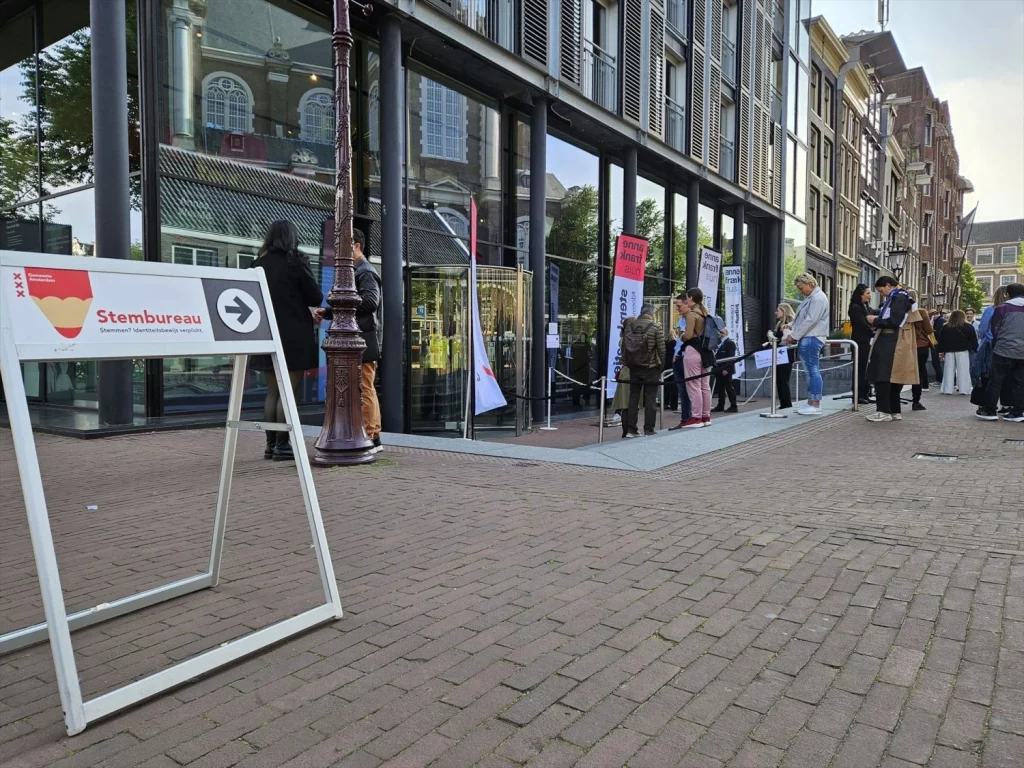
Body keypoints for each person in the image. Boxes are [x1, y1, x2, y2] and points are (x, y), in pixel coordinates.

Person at [250, 220, 323, 460]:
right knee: (287, 393)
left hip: (264, 335)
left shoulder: (256, 265)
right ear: (292, 238)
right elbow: (315, 295)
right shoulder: (295, 262)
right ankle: (283, 446)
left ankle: (270, 445)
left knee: (272, 393)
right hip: (293, 337)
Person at [316, 230, 383, 452]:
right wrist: (327, 313)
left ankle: (372, 435)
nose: (337, 252)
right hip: (358, 337)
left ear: (355, 245)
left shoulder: (365, 271)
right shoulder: (357, 270)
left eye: (342, 246)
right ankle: (368, 434)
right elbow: (350, 306)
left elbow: (371, 302)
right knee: (361, 388)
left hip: (363, 338)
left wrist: (334, 308)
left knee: (364, 387)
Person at [865, 276, 918, 422]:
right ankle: (894, 410)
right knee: (894, 376)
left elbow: (894, 321)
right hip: (896, 340)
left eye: (881, 290)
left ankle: (883, 411)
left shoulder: (898, 298)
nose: (882, 294)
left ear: (888, 285)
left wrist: (874, 320)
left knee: (882, 375)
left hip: (889, 340)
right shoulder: (903, 297)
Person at [977, 282, 1024, 421]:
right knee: (1020, 382)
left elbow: (994, 329)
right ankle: (1017, 412)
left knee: (995, 381)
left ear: (1007, 294)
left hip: (1004, 350)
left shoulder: (1003, 308)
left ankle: (990, 410)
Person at [785, 274, 830, 415]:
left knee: (812, 370)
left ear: (810, 283)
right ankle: (812, 401)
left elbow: (811, 320)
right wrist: (791, 325)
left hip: (812, 337)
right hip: (809, 337)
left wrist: (794, 335)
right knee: (811, 371)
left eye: (801, 287)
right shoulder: (813, 298)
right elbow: (803, 319)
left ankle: (815, 403)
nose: (800, 291)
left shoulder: (817, 298)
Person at [624, 304, 665, 437]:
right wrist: (661, 366)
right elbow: (661, 350)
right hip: (651, 367)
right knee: (650, 398)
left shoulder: (629, 326)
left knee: (633, 397)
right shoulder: (656, 327)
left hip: (634, 367)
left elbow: (625, 346)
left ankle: (631, 429)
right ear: (652, 313)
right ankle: (649, 429)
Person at [681, 288, 713, 428]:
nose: (686, 301)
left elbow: (688, 336)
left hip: (693, 351)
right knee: (705, 386)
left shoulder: (691, 315)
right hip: (706, 352)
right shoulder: (705, 313)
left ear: (691, 298)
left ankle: (696, 417)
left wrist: (681, 335)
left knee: (693, 385)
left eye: (687, 298)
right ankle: (706, 416)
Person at [977, 287, 1011, 414]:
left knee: (989, 376)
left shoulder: (990, 310)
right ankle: (1007, 404)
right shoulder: (1014, 310)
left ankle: (988, 405)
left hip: (991, 346)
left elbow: (983, 329)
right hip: (1009, 346)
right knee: (1008, 377)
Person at [936, 309, 977, 396]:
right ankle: (964, 389)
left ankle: (947, 389)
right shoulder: (968, 326)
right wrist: (974, 349)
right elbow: (973, 340)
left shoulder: (946, 327)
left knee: (948, 370)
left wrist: (941, 351)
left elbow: (941, 340)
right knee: (963, 370)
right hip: (963, 350)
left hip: (949, 351)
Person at [668, 295, 694, 430]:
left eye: (679, 306)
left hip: (688, 358)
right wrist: (675, 354)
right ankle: (685, 419)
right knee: (682, 391)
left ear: (687, 304)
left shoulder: (694, 319)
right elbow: (679, 339)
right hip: (678, 358)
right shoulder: (681, 320)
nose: (677, 309)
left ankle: (694, 418)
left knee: (691, 389)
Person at [610, 316, 638, 437]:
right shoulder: (633, 339)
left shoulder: (623, 339)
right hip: (631, 371)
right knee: (630, 404)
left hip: (625, 370)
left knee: (626, 404)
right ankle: (630, 430)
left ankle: (627, 430)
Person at [849, 284, 876, 404]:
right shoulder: (855, 308)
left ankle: (865, 393)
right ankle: (858, 394)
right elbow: (862, 324)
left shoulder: (866, 307)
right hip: (860, 342)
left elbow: (873, 314)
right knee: (860, 369)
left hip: (866, 342)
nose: (870, 296)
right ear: (861, 294)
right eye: (868, 293)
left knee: (867, 369)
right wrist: (873, 332)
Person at [909, 293, 935, 411]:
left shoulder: (900, 312)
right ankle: (916, 401)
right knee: (919, 372)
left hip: (905, 345)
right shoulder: (922, 312)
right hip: (920, 345)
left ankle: (893, 401)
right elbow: (929, 330)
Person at [771, 303, 796, 410]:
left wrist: (775, 339)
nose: (776, 312)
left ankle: (786, 403)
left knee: (783, 379)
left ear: (784, 311)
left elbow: (788, 340)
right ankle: (783, 402)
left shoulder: (788, 324)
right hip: (780, 354)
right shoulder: (780, 324)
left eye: (778, 310)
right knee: (779, 379)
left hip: (785, 354)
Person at [712, 327, 738, 413]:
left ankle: (733, 405)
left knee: (729, 387)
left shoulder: (730, 343)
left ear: (726, 333)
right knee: (720, 388)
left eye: (721, 332)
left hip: (726, 369)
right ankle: (720, 405)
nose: (720, 333)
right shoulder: (719, 343)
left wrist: (727, 369)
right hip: (719, 369)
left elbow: (731, 358)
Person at [930, 309, 947, 381]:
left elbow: (939, 333)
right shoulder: (937, 320)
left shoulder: (940, 320)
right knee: (935, 362)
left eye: (932, 315)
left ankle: (940, 379)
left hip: (937, 344)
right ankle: (939, 379)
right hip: (936, 344)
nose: (932, 317)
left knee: (936, 362)